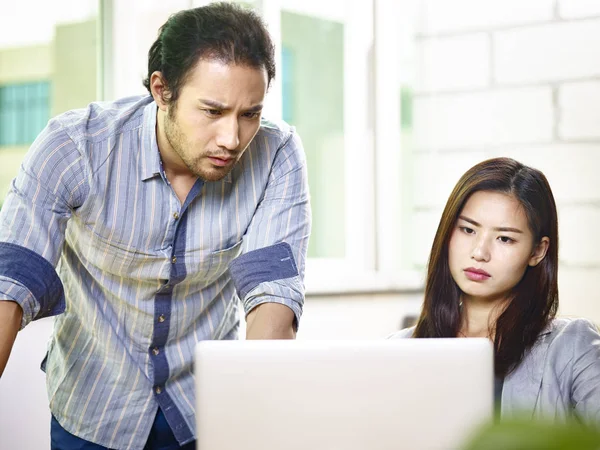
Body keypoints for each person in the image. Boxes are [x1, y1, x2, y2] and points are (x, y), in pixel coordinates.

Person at [0, 3, 311, 449]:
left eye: (250, 114)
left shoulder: (276, 154)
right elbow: (10, 288)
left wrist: (256, 423)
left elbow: (273, 307)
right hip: (93, 412)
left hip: (207, 411)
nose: (233, 139)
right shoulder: (75, 148)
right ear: (161, 90)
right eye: (213, 111)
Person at [390, 157, 600, 423]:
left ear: (538, 251)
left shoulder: (572, 346)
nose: (479, 253)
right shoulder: (398, 349)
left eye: (504, 238)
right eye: (467, 230)